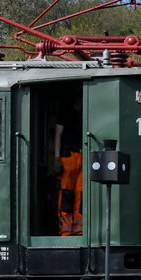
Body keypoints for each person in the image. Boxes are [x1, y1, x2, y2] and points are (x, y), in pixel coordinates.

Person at [52, 101, 83, 236]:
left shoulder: (82, 114)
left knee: (79, 195)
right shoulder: (65, 111)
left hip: (81, 156)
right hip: (67, 156)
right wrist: (57, 157)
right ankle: (65, 232)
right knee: (66, 195)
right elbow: (58, 134)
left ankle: (78, 231)